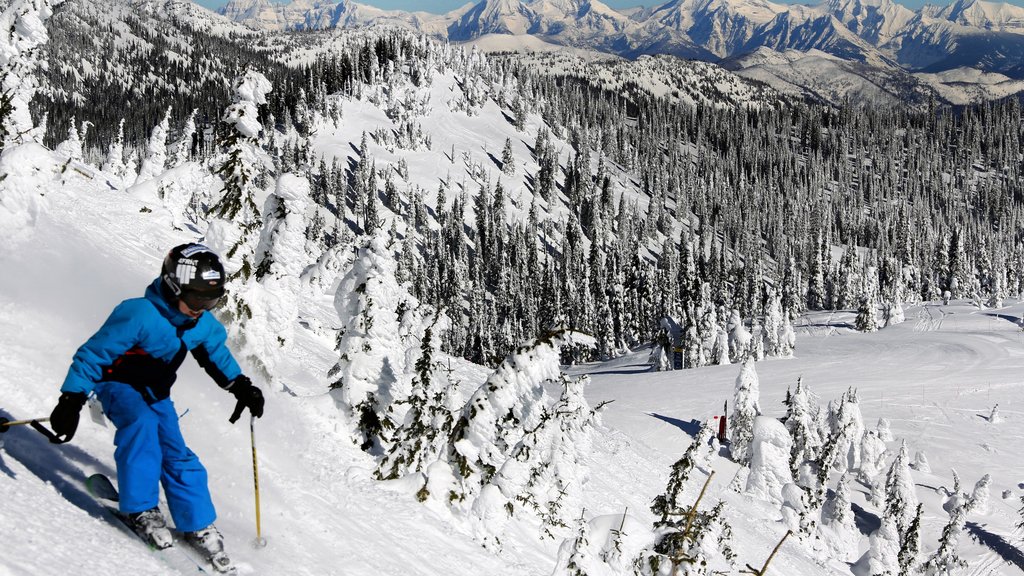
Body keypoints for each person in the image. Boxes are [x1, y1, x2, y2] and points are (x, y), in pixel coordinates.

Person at [47, 243, 264, 571]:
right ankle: (141, 509)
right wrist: (71, 398)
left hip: (156, 393)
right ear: (174, 287)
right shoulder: (138, 314)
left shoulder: (201, 323)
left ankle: (197, 523)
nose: (201, 308)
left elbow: (215, 355)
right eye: (195, 300)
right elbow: (94, 355)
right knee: (142, 428)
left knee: (177, 452)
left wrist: (241, 387)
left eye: (211, 301)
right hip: (117, 385)